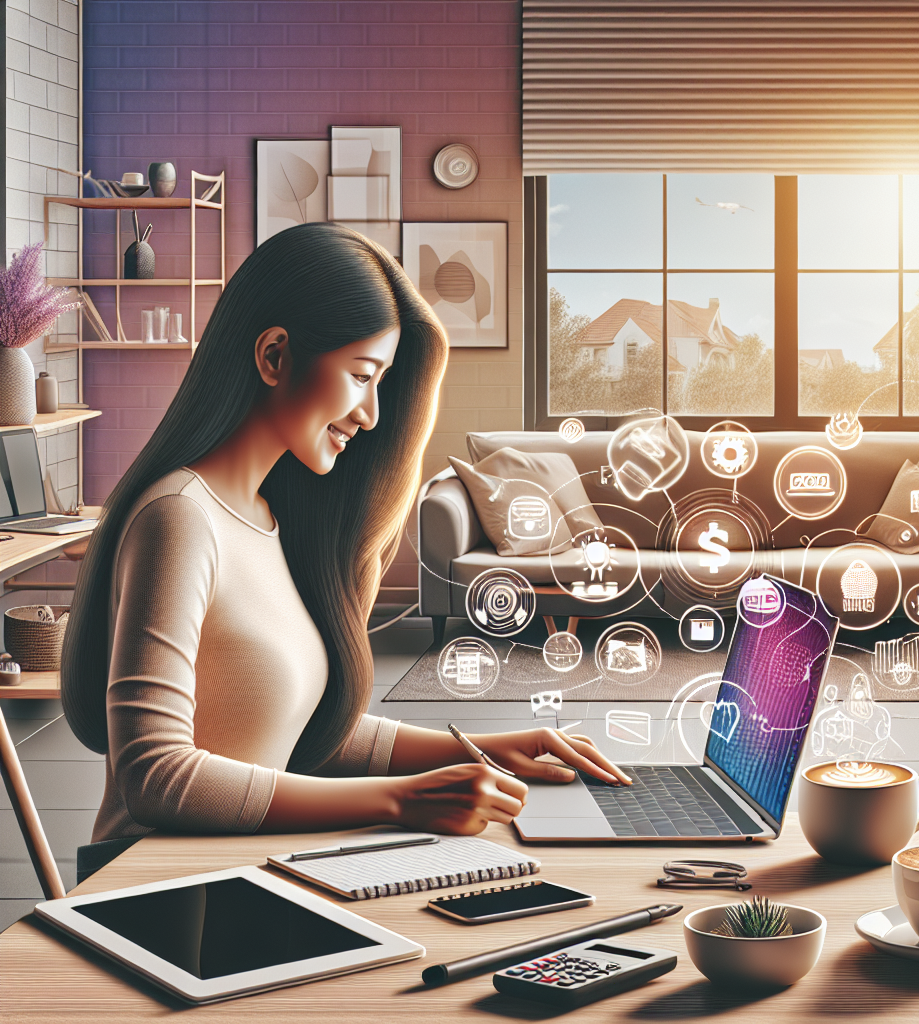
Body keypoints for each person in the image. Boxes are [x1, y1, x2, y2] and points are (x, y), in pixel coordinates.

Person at [62, 224, 628, 851]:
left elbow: (291, 731)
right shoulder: (179, 517)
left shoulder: (270, 517)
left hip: (239, 872)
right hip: (153, 896)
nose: (372, 414)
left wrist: (492, 749)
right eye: (362, 375)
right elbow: (157, 778)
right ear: (274, 355)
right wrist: (400, 799)